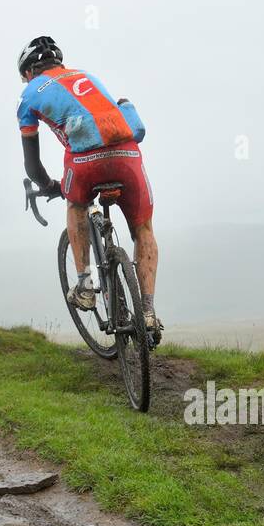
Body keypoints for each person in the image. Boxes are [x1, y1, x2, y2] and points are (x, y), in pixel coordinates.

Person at [16, 36, 161, 332]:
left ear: (29, 72)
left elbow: (32, 166)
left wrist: (49, 185)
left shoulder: (29, 95)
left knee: (76, 205)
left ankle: (84, 286)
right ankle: (147, 310)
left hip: (85, 163)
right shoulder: (88, 76)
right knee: (144, 229)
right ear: (59, 63)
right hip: (128, 155)